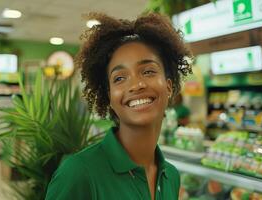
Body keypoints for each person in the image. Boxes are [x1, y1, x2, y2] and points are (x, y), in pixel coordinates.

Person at [45, 12, 192, 200]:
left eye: (148, 71)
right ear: (109, 97)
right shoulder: (79, 174)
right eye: (120, 78)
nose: (136, 85)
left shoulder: (170, 176)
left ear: (169, 87)